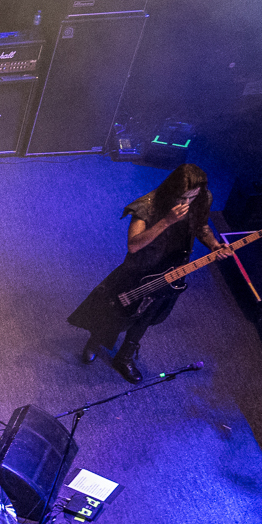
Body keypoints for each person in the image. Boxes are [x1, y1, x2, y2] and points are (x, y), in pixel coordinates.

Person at [66, 163, 227, 382]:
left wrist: (214, 245)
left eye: (192, 197)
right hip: (140, 270)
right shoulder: (147, 206)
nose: (186, 203)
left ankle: (125, 356)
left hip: (172, 269)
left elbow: (201, 226)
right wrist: (167, 221)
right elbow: (133, 245)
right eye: (182, 197)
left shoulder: (202, 198)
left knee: (147, 315)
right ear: (172, 190)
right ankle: (95, 341)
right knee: (117, 312)